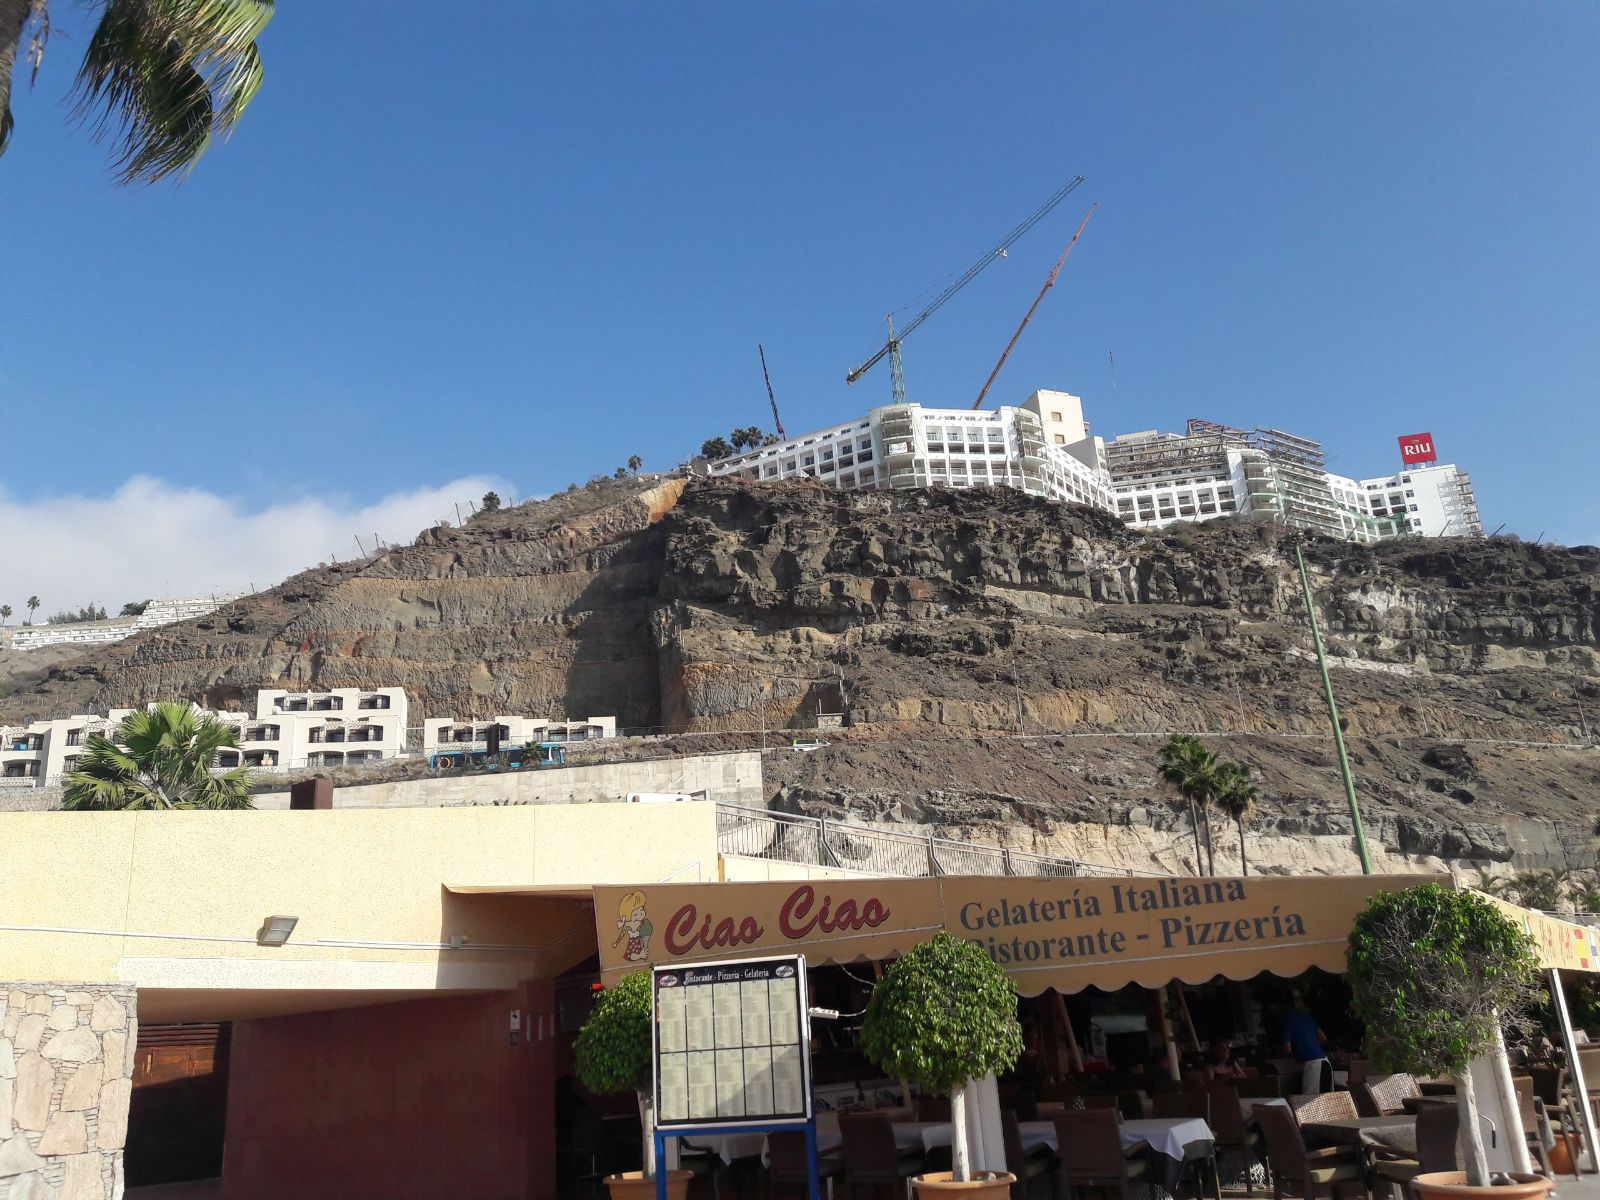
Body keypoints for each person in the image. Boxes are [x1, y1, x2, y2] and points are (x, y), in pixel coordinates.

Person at [1279, 997, 1330, 1095]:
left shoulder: (1286, 1020)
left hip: (1312, 1065)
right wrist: (1312, 1046)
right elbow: (1323, 1037)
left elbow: (1287, 1049)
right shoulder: (1305, 1015)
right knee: (1328, 1099)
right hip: (1325, 1061)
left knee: (1310, 1100)